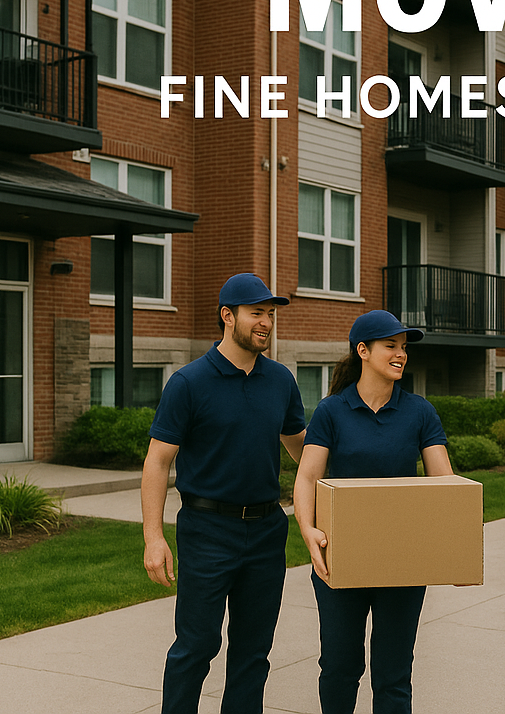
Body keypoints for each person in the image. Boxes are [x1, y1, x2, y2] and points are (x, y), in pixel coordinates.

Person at [141, 273, 307, 714]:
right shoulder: (189, 382)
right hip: (207, 530)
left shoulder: (280, 380)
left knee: (254, 652)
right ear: (227, 316)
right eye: (257, 313)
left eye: (270, 315)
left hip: (268, 529)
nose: (267, 323)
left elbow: (302, 451)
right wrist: (154, 538)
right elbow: (158, 462)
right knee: (196, 646)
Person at [293, 309, 453, 714]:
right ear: (362, 351)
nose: (401, 355)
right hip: (340, 557)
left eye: (403, 348)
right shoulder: (331, 411)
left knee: (394, 673)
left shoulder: (420, 412)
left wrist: (454, 547)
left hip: (403, 561)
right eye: (391, 346)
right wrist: (308, 531)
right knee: (339, 667)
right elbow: (307, 477)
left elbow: (445, 484)